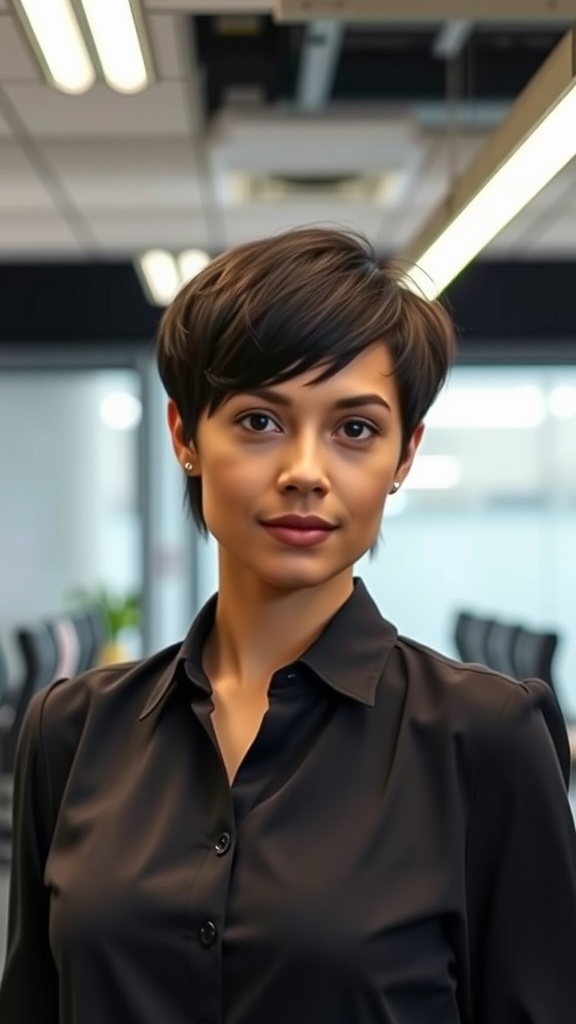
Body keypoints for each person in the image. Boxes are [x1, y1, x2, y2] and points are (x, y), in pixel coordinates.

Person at [1, 227, 576, 1024]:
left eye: (355, 429)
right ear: (184, 436)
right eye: (259, 421)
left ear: (404, 457)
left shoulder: (486, 739)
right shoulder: (70, 733)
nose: (305, 472)